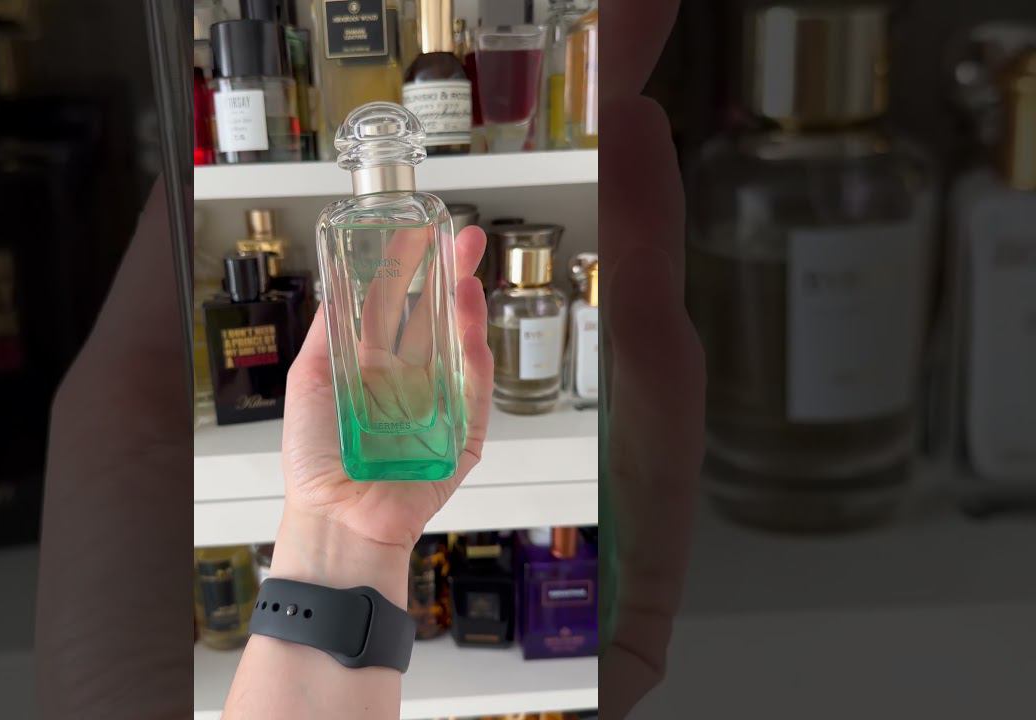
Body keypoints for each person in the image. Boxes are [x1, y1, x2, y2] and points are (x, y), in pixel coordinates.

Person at [35, 2, 703, 718]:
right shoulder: (347, 224)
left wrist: (340, 545)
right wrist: (339, 531)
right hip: (361, 477)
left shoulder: (425, 217)